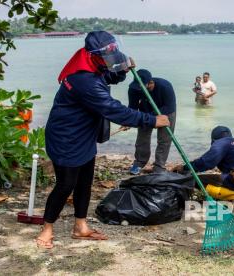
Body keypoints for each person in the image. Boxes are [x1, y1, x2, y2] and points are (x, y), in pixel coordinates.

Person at [36, 31, 170, 249]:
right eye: (108, 53)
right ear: (96, 54)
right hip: (66, 138)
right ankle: (47, 228)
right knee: (65, 185)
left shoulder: (88, 63)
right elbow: (114, 111)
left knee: (85, 182)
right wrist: (152, 120)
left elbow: (107, 76)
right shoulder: (84, 81)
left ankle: (80, 226)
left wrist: (123, 70)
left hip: (84, 135)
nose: (112, 55)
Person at [173, 126, 234, 200]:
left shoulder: (220, 143)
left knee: (193, 179)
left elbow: (206, 163)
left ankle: (233, 196)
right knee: (222, 176)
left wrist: (185, 168)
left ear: (213, 140)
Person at [127, 69, 176, 174]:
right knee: (142, 138)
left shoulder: (165, 86)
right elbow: (132, 108)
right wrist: (129, 121)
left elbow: (170, 106)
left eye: (142, 86)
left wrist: (152, 116)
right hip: (146, 112)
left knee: (164, 140)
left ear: (151, 83)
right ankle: (139, 162)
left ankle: (159, 165)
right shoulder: (134, 89)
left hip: (166, 113)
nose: (139, 89)